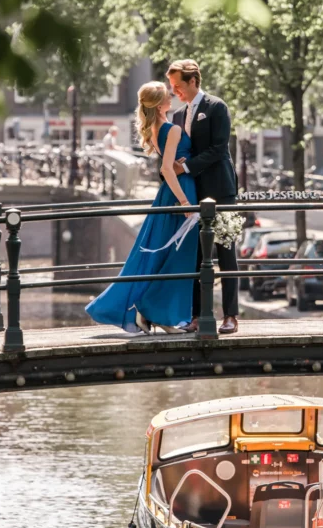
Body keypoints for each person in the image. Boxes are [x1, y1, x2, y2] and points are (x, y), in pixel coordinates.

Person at [85, 82, 198, 334]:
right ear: (160, 105)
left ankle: (156, 315)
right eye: (168, 95)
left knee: (163, 255)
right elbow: (166, 168)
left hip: (169, 194)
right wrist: (184, 202)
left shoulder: (157, 128)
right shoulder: (172, 129)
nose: (172, 97)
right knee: (179, 256)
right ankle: (154, 312)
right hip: (180, 193)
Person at [167, 58, 239, 335]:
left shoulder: (217, 107)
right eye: (171, 87)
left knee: (226, 252)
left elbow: (220, 148)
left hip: (220, 191)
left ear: (193, 81)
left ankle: (231, 315)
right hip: (192, 194)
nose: (175, 92)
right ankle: (196, 315)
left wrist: (185, 166)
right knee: (194, 256)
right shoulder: (176, 115)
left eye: (178, 86)